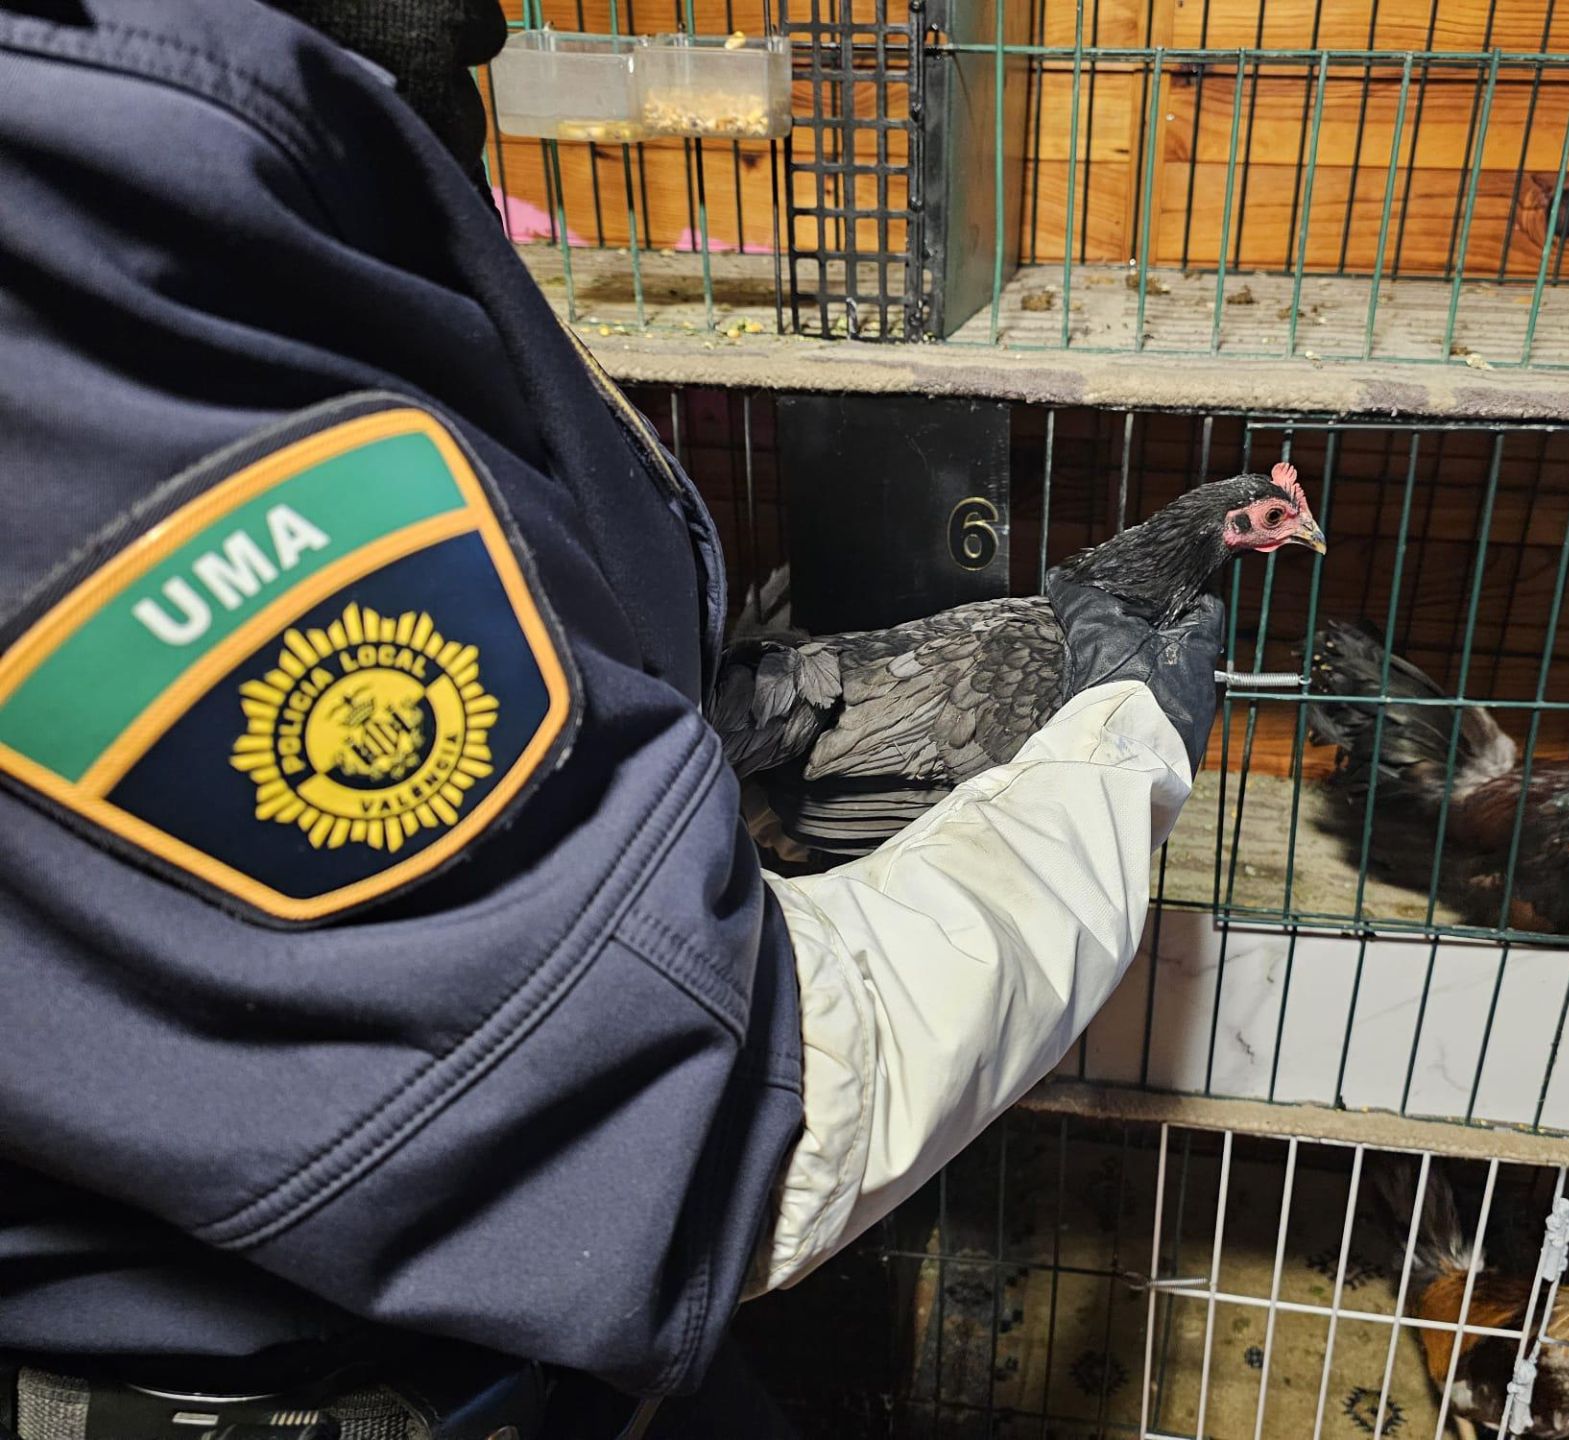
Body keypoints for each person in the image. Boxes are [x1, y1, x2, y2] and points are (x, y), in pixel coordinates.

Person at [0, 4, 1223, 1436]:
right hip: (365, 1361)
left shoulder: (226, 137)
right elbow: (758, 1102)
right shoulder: (105, 233)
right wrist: (1121, 746)